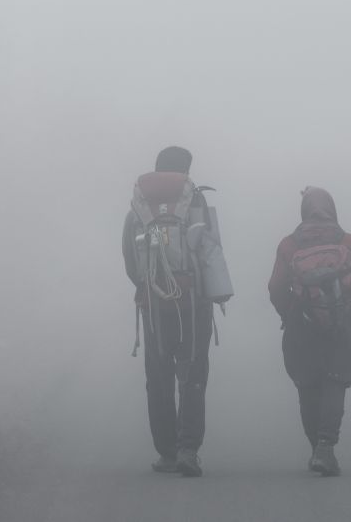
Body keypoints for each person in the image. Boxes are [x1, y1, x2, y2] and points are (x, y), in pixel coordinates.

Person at [122, 146, 233, 477]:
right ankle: (188, 449)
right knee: (193, 375)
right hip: (194, 304)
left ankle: (167, 453)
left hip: (154, 306)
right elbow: (211, 251)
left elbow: (130, 260)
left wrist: (149, 285)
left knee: (158, 378)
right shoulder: (195, 204)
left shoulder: (138, 209)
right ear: (185, 171)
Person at [268, 186, 351, 476]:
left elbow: (276, 287)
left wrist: (290, 314)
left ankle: (316, 449)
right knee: (335, 381)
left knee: (307, 385)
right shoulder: (349, 242)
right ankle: (325, 447)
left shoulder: (289, 245)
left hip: (302, 325)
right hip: (341, 323)